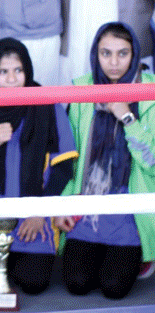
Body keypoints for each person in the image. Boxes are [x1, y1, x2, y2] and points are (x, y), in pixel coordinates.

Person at [0, 38, 77, 295]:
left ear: (28, 71)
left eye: (18, 70)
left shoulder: (47, 105)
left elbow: (63, 167)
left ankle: (18, 260)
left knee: (33, 284)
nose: (12, 79)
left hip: (33, 216)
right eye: (3, 72)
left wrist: (39, 212)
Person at [54, 22, 155, 299]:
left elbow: (153, 162)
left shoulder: (151, 91)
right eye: (105, 53)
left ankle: (140, 253)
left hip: (130, 207)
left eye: (122, 54)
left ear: (135, 54)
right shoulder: (81, 89)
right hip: (87, 203)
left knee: (113, 287)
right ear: (95, 54)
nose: (113, 63)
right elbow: (67, 157)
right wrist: (62, 203)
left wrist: (127, 117)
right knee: (77, 283)